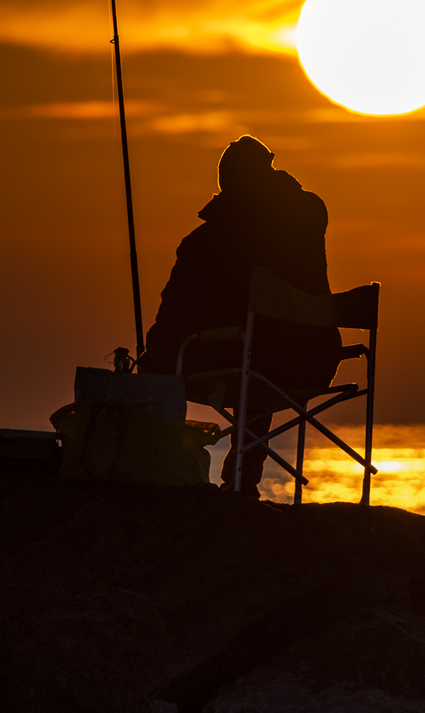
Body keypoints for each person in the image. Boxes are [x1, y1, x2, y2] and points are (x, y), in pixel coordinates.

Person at [137, 135, 342, 493]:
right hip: (315, 363)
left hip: (251, 366)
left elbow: (173, 317)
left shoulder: (205, 242)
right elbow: (306, 203)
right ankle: (243, 475)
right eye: (272, 167)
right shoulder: (306, 226)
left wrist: (153, 352)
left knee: (167, 361)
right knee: (261, 351)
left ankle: (157, 467)